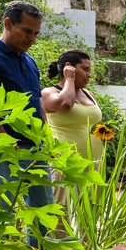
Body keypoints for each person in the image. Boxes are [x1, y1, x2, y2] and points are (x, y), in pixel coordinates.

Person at [0, 0, 54, 249]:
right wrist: (5, 138)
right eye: (27, 31)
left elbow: (38, 102)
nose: (32, 38)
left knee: (43, 212)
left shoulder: (29, 61)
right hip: (2, 149)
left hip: (34, 147)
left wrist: (45, 136)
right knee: (1, 212)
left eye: (36, 33)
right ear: (8, 23)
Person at [41, 49, 103, 207]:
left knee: (91, 215)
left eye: (90, 70)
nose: (89, 74)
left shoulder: (89, 94)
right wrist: (69, 80)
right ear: (69, 67)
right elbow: (66, 104)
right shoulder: (49, 93)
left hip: (93, 164)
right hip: (64, 164)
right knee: (62, 214)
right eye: (85, 69)